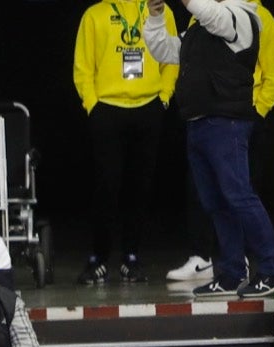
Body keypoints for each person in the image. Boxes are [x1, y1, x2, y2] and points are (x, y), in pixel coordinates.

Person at [145, 0, 274, 298]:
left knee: (239, 195)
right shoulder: (200, 25)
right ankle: (231, 273)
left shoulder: (242, 15)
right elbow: (164, 51)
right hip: (198, 122)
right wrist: (155, 16)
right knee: (215, 201)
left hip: (226, 122)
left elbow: (214, 15)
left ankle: (271, 270)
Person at [73, 0, 174, 285]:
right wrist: (93, 105)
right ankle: (99, 257)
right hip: (107, 107)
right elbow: (83, 66)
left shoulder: (159, 9)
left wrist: (164, 96)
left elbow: (171, 57)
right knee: (107, 186)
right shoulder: (94, 13)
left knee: (140, 187)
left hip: (148, 106)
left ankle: (131, 256)